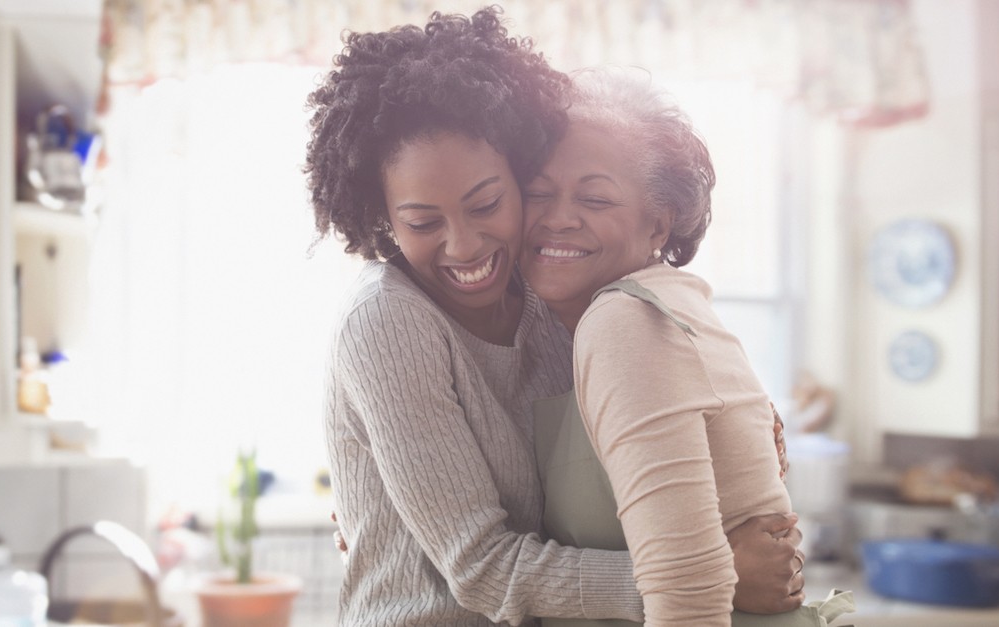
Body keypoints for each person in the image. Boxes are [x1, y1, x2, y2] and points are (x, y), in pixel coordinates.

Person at [306, 8, 804, 626]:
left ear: (517, 177)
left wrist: (744, 425)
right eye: (422, 222)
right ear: (381, 217)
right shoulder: (387, 320)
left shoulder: (553, 295)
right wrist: (714, 576)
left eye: (486, 203)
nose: (463, 246)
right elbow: (481, 568)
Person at [520, 67, 853, 626]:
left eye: (596, 199)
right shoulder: (640, 308)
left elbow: (688, 598)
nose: (558, 217)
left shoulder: (626, 320)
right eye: (537, 193)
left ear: (658, 226)